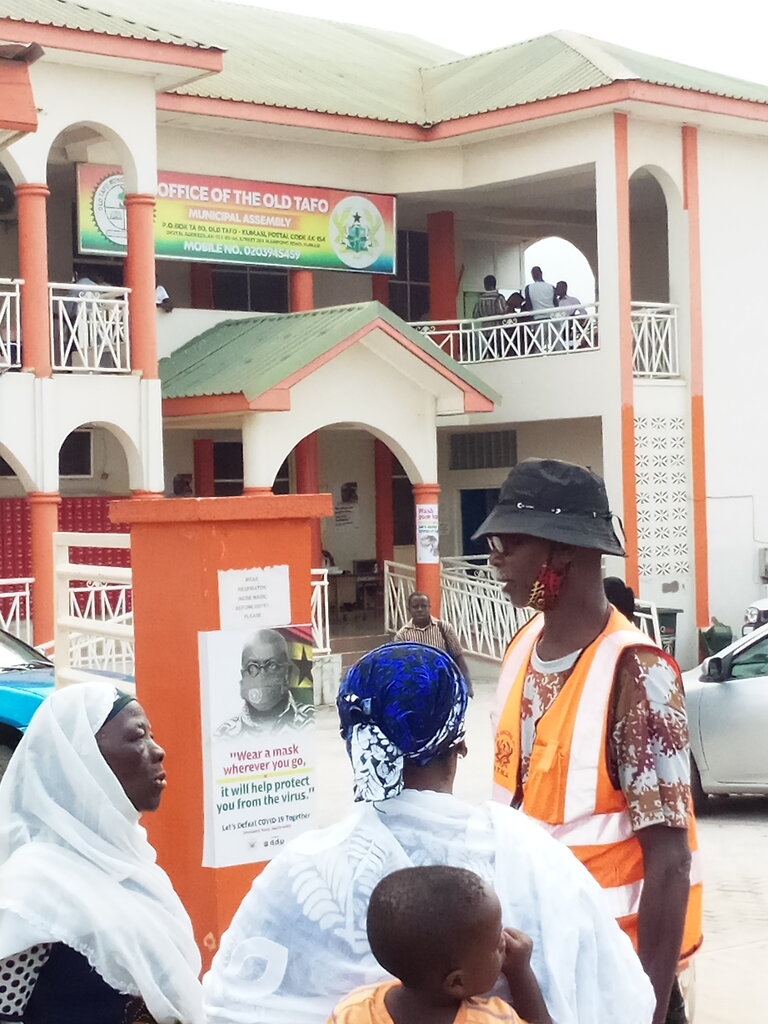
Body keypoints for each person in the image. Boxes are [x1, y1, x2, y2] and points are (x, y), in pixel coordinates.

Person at [203, 643, 655, 1024]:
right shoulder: (535, 855)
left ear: (353, 743)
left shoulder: (298, 869)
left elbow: (228, 1007)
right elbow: (622, 1000)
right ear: (459, 743)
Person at [473, 459, 702, 1024]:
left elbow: (670, 862)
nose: (494, 557)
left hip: (615, 974)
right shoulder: (523, 646)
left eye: (508, 540)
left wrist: (643, 1007)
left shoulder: (638, 675)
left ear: (563, 552)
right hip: (539, 971)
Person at [0, 684, 203, 1024]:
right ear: (83, 762)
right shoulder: (32, 891)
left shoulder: (135, 866)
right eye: (138, 738)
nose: (158, 751)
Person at [328, 865, 551, 1024]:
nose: (504, 941)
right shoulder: (493, 1019)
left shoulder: (351, 1011)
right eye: (496, 946)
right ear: (457, 982)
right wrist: (520, 971)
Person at [215, 628, 313, 737]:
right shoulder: (224, 735)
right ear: (243, 675)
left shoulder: (311, 721)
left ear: (287, 673)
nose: (262, 676)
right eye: (252, 667)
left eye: (272, 665)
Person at [394, 591, 473, 696]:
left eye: (423, 606)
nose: (420, 610)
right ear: (409, 610)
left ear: (429, 607)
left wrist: (468, 686)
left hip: (444, 684)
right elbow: (400, 666)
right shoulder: (402, 635)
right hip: (416, 688)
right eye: (415, 607)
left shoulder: (444, 628)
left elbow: (458, 657)